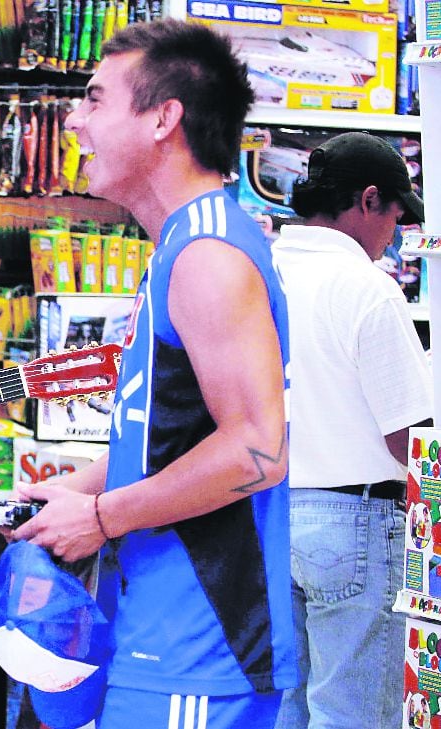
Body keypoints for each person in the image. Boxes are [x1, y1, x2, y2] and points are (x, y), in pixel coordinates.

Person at [9, 19, 297, 729]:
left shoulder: (206, 252)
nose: (72, 120)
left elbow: (256, 450)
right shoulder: (178, 244)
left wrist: (101, 517)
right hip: (156, 639)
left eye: (95, 100)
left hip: (201, 652)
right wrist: (76, 490)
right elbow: (168, 441)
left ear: (164, 118)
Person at [270, 131, 430, 729]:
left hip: (268, 512)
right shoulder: (365, 287)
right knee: (355, 714)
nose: (393, 234)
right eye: (393, 213)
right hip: (357, 523)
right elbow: (409, 437)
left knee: (288, 708)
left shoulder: (257, 274)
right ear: (367, 200)